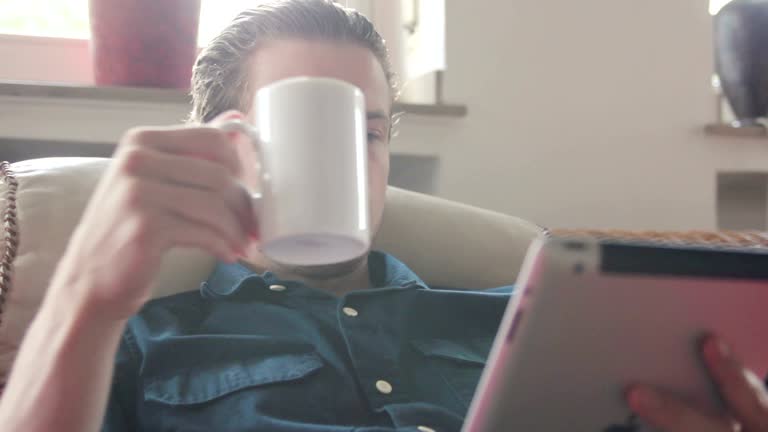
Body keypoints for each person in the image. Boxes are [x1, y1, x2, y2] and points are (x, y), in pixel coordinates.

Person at [0, 1, 766, 431]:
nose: (353, 157)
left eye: (368, 132)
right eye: (308, 130)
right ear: (227, 143)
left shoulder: (521, 321)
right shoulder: (142, 339)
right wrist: (85, 300)